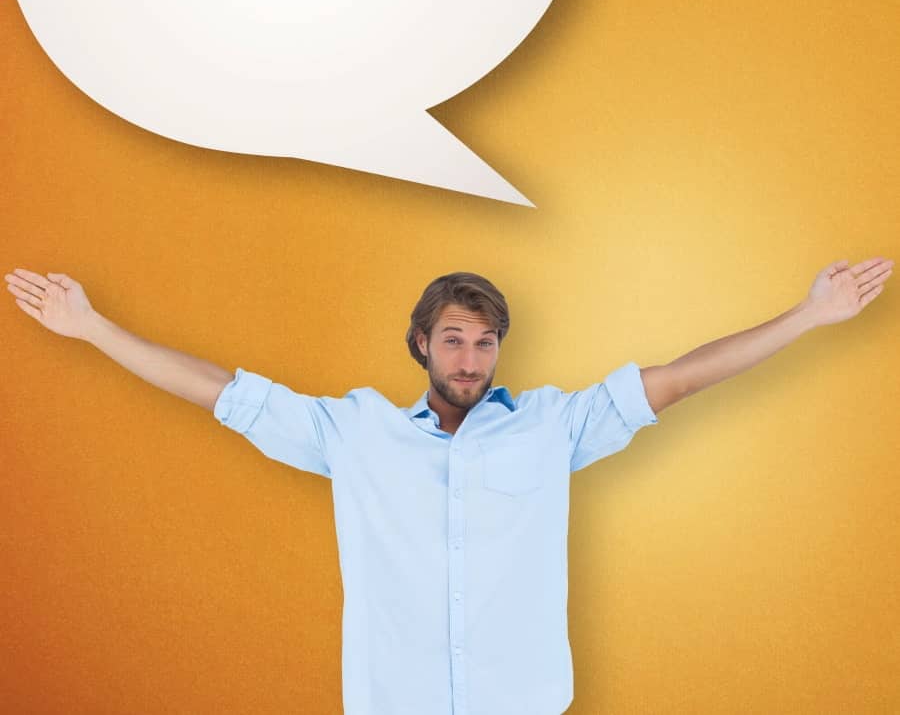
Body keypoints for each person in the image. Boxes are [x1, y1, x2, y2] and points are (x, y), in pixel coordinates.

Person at [4, 257, 893, 715]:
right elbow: (221, 392)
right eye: (455, 338)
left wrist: (812, 314)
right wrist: (92, 329)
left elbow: (680, 378)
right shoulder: (352, 432)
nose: (471, 358)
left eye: (486, 341)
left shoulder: (554, 426)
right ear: (421, 344)